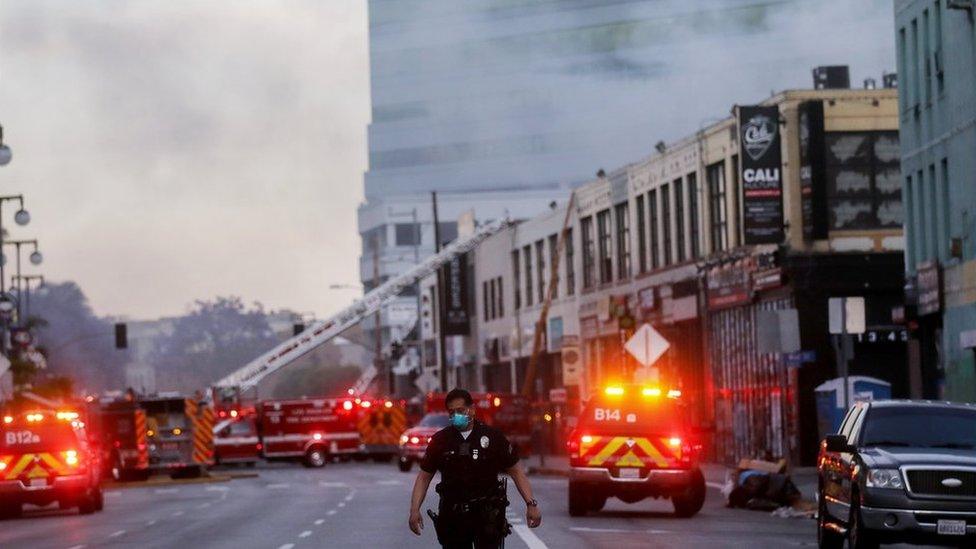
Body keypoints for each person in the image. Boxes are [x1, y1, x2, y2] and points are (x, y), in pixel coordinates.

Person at [408, 388, 541, 548]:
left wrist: (531, 504)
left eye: (460, 410)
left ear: (472, 409)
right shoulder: (440, 441)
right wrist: (414, 510)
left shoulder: (493, 438)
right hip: (453, 517)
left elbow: (516, 471)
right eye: (451, 412)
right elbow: (424, 477)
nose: (456, 415)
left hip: (486, 517)